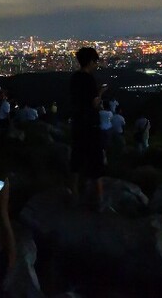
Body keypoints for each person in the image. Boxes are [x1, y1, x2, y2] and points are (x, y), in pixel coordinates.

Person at [70, 47, 108, 210]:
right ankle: (99, 199)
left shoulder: (74, 78)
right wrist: (100, 92)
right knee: (95, 160)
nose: (96, 64)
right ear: (91, 61)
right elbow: (94, 103)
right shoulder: (88, 79)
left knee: (76, 158)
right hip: (90, 124)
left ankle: (74, 194)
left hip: (77, 122)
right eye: (95, 61)